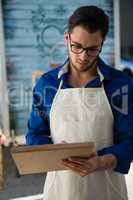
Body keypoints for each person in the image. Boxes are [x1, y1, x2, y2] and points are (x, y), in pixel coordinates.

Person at [26, 6, 133, 200]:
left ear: (102, 43)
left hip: (107, 189)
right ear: (67, 38)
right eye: (77, 46)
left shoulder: (120, 85)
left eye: (92, 49)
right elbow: (35, 134)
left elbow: (129, 141)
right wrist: (55, 152)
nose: (83, 57)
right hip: (60, 190)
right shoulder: (46, 85)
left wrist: (99, 162)